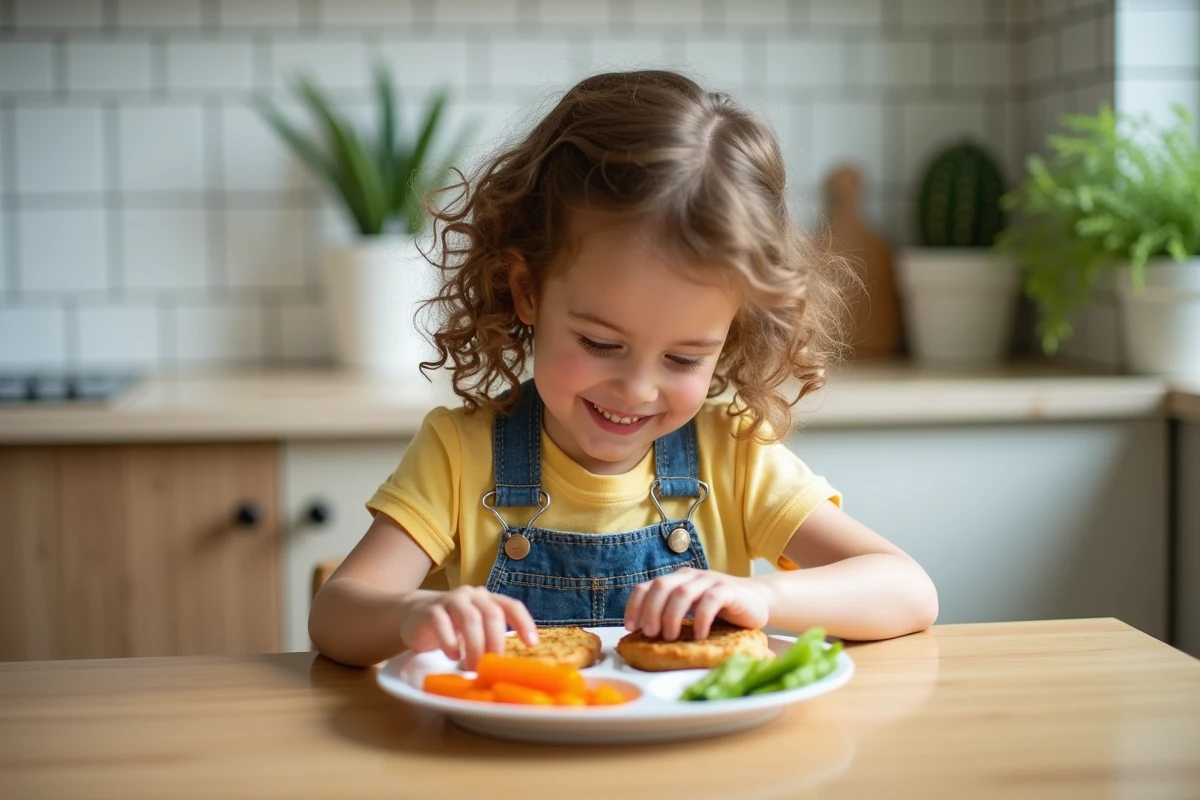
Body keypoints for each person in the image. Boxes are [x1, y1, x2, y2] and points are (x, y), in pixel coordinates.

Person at [309, 69, 938, 668]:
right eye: (601, 343)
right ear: (527, 289)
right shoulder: (458, 454)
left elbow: (908, 590)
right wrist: (413, 614)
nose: (637, 389)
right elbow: (336, 614)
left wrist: (766, 600)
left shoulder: (734, 452)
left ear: (733, 332)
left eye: (684, 357)